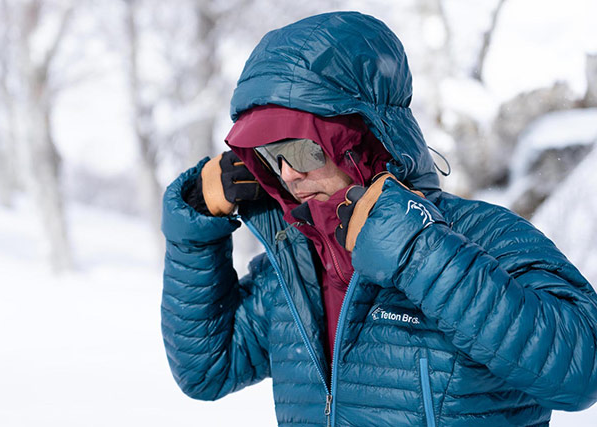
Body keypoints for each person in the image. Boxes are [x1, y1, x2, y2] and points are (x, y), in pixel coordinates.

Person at [160, 11, 597, 426]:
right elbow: (207, 369)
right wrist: (194, 233)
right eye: (271, 156)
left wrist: (417, 249)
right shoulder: (296, 267)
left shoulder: (481, 235)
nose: (289, 173)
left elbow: (582, 371)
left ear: (365, 140)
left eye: (300, 148)